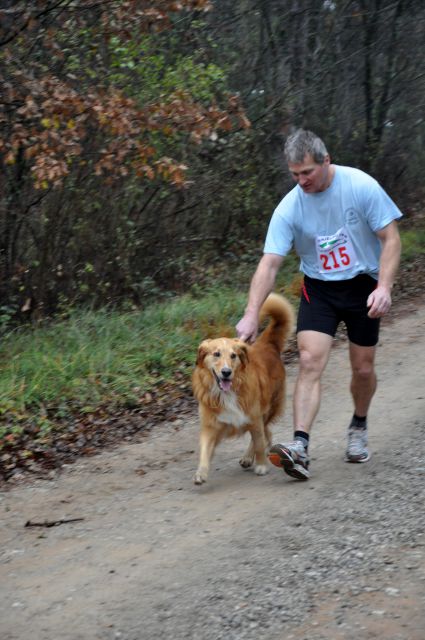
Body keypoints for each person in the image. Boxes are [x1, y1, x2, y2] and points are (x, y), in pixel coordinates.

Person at [236, 129, 402, 480]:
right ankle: (300, 446)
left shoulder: (360, 186)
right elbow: (269, 263)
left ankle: (358, 425)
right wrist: (252, 314)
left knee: (363, 369)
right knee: (310, 360)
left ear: (326, 161)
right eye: (294, 174)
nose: (301, 181)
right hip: (320, 289)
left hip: (363, 287)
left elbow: (390, 239)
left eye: (307, 172)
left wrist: (384, 287)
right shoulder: (290, 206)